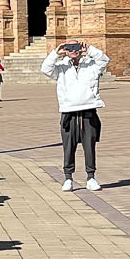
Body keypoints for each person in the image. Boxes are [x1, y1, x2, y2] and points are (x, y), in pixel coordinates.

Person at [42, 39, 109, 191]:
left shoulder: (91, 65)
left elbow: (104, 60)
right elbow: (45, 69)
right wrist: (56, 53)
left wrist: (89, 49)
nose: (73, 50)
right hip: (69, 111)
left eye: (76, 46)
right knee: (68, 146)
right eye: (69, 47)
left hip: (88, 109)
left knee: (89, 146)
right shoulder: (60, 67)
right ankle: (68, 177)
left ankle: (91, 177)